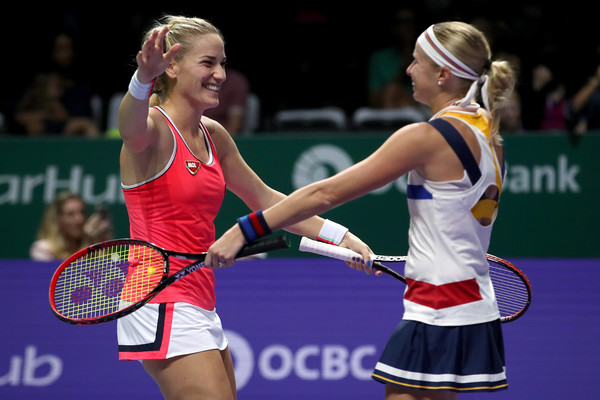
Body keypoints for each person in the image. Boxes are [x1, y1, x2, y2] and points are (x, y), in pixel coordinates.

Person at [208, 21, 516, 400]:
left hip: (441, 304)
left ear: (443, 73)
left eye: (416, 62)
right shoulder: (490, 135)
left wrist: (246, 228)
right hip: (469, 299)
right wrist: (347, 239)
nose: (407, 70)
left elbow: (326, 193)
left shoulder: (427, 138)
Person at [116, 15, 368, 400]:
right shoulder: (153, 129)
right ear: (171, 66)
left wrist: (340, 237)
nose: (220, 73)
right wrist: (140, 79)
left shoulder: (213, 134)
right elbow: (129, 129)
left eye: (222, 63)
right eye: (207, 63)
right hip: (159, 296)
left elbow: (267, 201)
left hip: (198, 297)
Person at [13, 32, 100, 136]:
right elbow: (17, 114)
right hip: (43, 128)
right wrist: (43, 115)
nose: (66, 54)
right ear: (53, 52)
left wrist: (57, 106)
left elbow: (82, 118)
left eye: (69, 48)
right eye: (61, 49)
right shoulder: (40, 82)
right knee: (35, 126)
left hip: (68, 131)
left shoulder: (80, 86)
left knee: (84, 125)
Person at [30, 191, 113, 260]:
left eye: (82, 212)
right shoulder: (42, 249)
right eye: (70, 214)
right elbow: (72, 276)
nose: (79, 219)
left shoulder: (94, 246)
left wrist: (104, 241)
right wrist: (87, 241)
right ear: (57, 219)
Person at [203, 67, 250, 135]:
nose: (221, 76)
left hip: (220, 139)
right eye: (208, 62)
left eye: (222, 63)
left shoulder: (235, 82)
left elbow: (234, 126)